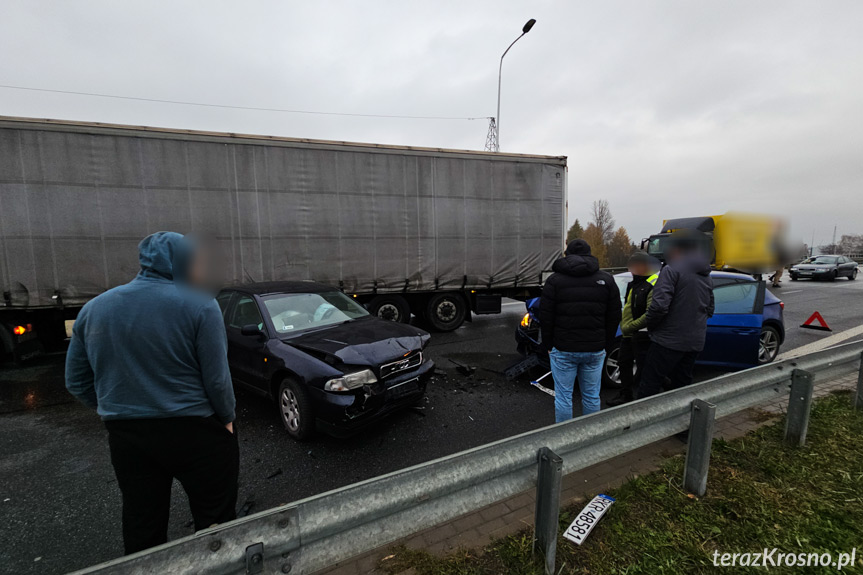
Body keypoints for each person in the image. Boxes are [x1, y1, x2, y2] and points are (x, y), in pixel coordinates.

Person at [65, 232, 238, 554]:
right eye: (196, 260)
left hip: (128, 435)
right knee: (216, 521)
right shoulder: (202, 305)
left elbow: (76, 381)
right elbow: (216, 380)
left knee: (142, 521)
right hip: (197, 432)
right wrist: (227, 419)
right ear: (181, 261)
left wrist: (117, 409)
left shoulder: (94, 309)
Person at [540, 238, 622, 422]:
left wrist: (548, 344)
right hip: (595, 349)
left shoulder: (554, 281)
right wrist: (606, 344)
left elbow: (546, 316)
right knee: (592, 396)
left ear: (567, 254)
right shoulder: (606, 280)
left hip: (563, 348)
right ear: (589, 254)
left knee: (563, 398)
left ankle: (564, 440)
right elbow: (614, 316)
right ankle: (588, 439)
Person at [636, 233, 714, 398]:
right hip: (695, 342)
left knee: (649, 384)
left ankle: (645, 422)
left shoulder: (671, 270)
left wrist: (652, 327)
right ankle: (678, 421)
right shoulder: (706, 274)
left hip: (667, 341)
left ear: (678, 249)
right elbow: (710, 308)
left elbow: (659, 306)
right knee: (681, 386)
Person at [607, 252, 659, 407]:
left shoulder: (652, 284)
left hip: (642, 334)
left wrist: (631, 326)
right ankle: (626, 394)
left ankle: (649, 399)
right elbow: (629, 306)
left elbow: (651, 313)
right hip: (628, 333)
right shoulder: (633, 283)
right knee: (624, 363)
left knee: (646, 368)